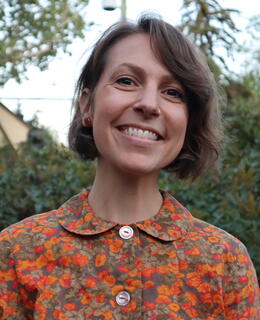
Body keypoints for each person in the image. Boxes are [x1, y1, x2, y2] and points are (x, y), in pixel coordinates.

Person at [0, 14, 259, 320]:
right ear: (87, 105)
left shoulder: (225, 262)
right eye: (126, 81)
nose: (149, 104)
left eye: (173, 92)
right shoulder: (16, 253)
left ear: (189, 122)